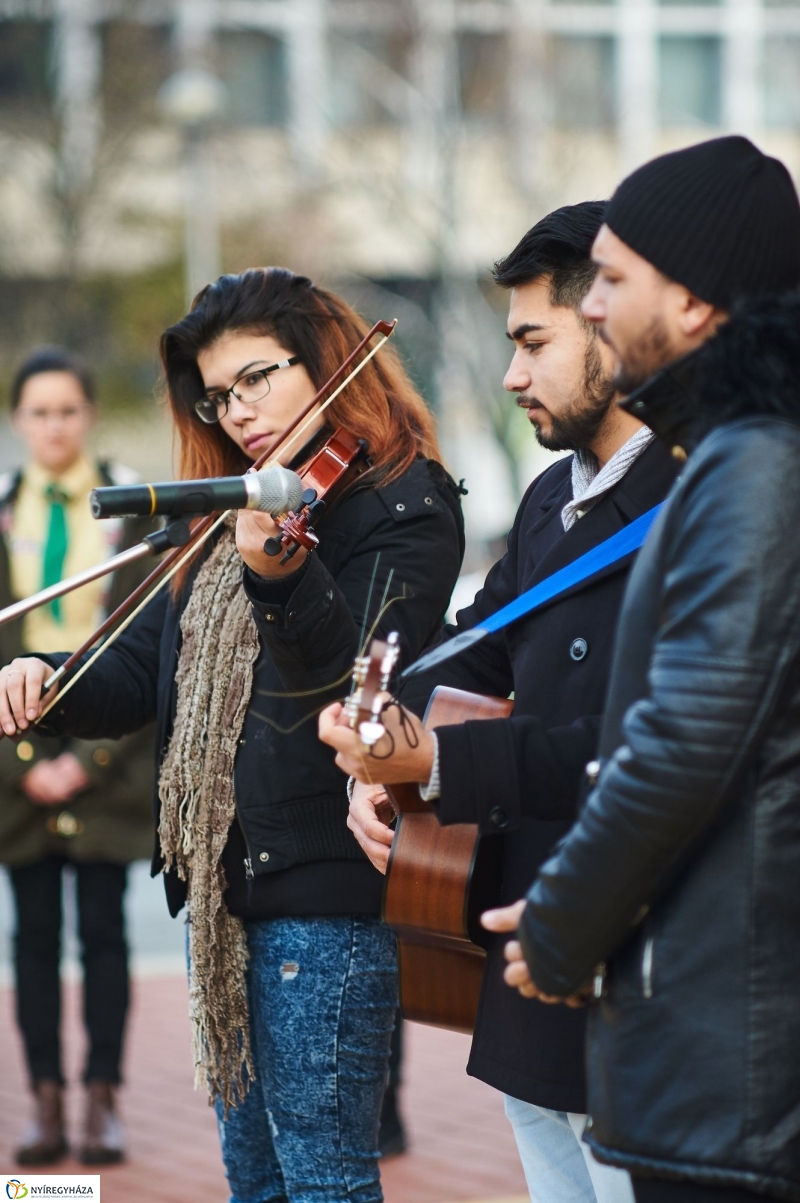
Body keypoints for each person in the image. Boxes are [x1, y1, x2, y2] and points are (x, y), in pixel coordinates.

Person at [0, 269, 464, 1203]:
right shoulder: (224, 515)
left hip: (325, 896)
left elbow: (357, 691)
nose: (238, 409)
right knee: (254, 1184)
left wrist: (282, 575)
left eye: (257, 377)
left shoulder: (401, 501)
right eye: (218, 394)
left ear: (325, 360)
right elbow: (139, 671)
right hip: (225, 899)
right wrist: (47, 681)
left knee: (324, 1181)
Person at [320, 203, 679, 1203]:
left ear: (611, 325)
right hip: (525, 966)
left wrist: (435, 763)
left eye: (533, 342)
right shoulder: (548, 499)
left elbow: (640, 741)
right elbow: (464, 652)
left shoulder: (696, 497)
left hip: (633, 960)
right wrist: (379, 757)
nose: (513, 375)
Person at [493, 136, 800, 1203]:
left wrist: (562, 921)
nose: (590, 305)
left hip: (732, 1041)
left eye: (613, 280)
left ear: (695, 302)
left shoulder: (755, 463)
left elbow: (683, 740)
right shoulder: (739, 451)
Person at [0, 347, 157, 1166]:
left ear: (89, 414)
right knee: (31, 938)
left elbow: (147, 651)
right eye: (39, 412)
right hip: (14, 747)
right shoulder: (3, 511)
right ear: (18, 421)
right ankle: (45, 1101)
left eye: (68, 410)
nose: (54, 426)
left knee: (103, 933)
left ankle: (101, 1097)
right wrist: (25, 760)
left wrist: (88, 760)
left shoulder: (133, 512)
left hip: (106, 740)